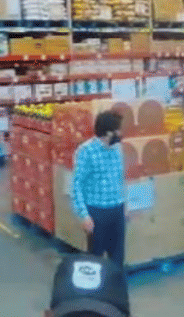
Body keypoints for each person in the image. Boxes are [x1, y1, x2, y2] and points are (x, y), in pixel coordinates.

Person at [71, 111, 127, 266]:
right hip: (97, 213)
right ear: (108, 132)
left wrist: (125, 204)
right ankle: (97, 290)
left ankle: (116, 289)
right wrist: (84, 215)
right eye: (118, 130)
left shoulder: (117, 148)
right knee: (95, 261)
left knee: (117, 259)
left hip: (117, 210)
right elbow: (77, 185)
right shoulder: (86, 151)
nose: (121, 133)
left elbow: (119, 178)